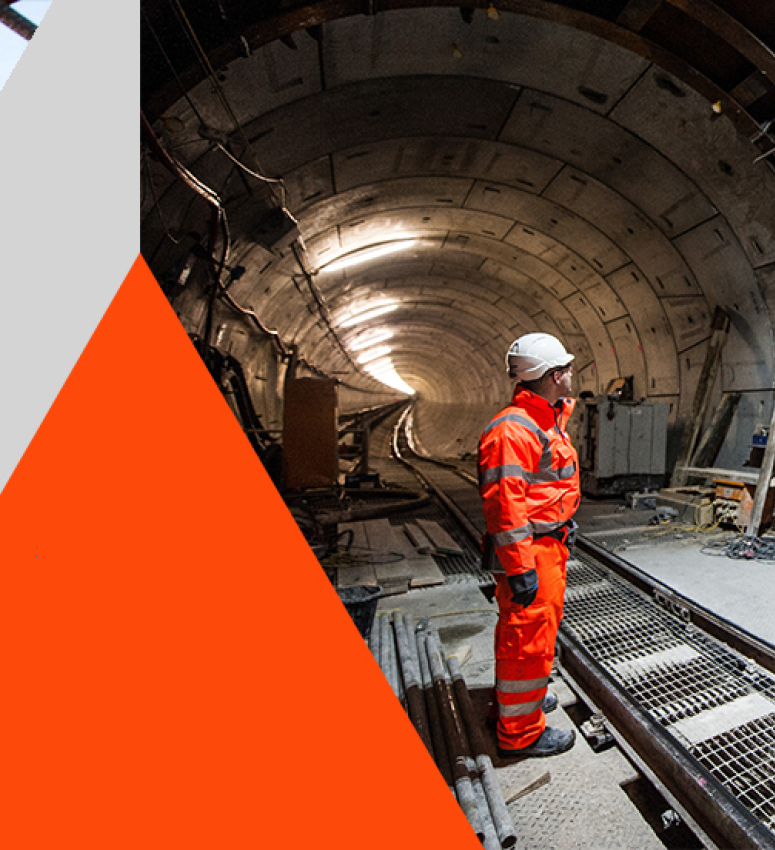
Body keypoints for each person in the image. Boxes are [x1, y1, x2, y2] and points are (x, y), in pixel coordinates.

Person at [478, 332, 581, 758]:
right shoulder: (512, 431)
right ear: (554, 377)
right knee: (527, 641)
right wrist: (520, 569)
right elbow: (506, 508)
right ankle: (519, 734)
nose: (573, 374)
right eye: (567, 368)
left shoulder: (546, 418)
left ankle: (520, 706)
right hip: (530, 553)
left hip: (549, 547)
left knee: (537, 635)